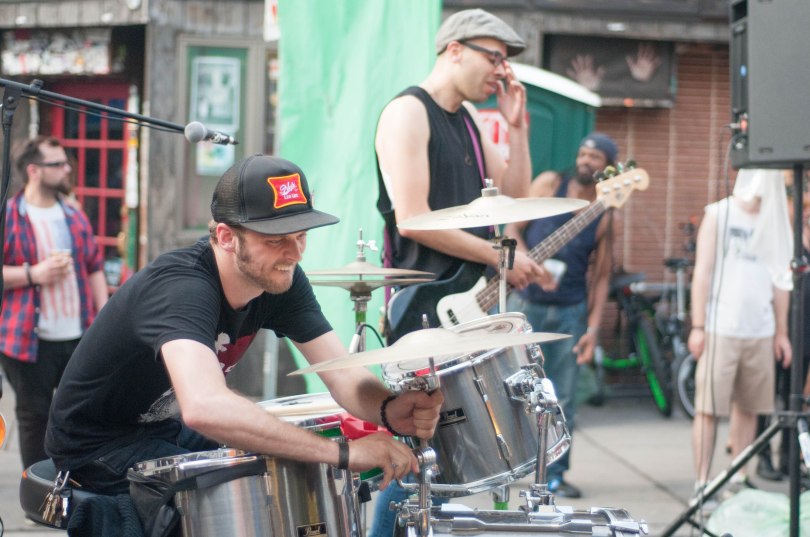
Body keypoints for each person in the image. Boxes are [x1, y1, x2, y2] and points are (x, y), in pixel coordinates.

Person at [44, 155, 444, 499]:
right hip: (95, 446)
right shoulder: (182, 288)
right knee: (241, 497)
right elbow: (205, 406)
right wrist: (343, 453)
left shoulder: (282, 278)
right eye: (276, 239)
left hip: (160, 429)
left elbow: (342, 374)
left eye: (301, 235)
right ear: (226, 236)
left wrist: (389, 409)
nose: (294, 253)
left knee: (280, 470)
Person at [373, 9, 546, 534]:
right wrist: (498, 257)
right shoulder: (408, 112)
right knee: (418, 454)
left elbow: (514, 196)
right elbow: (413, 218)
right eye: (494, 57)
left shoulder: (467, 120)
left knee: (459, 456)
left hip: (462, 306)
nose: (501, 71)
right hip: (422, 309)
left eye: (505, 61)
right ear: (454, 50)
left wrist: (516, 127)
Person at [503, 132, 619, 499]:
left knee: (562, 397)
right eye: (583, 153)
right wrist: (527, 263)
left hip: (571, 310)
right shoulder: (550, 184)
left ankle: (554, 473)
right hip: (526, 305)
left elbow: (602, 275)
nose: (585, 160)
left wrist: (593, 328)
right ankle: (508, 466)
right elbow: (511, 227)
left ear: (608, 167)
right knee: (513, 391)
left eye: (595, 157)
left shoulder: (604, 212)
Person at [0, 136, 108, 469]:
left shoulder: (73, 214)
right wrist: (34, 274)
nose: (67, 169)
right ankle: (38, 489)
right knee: (34, 418)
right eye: (57, 164)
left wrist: (104, 320)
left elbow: (94, 266)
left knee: (82, 414)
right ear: (34, 170)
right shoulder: (9, 215)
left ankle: (74, 483)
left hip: (78, 334)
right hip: (26, 338)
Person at [689, 168, 792, 498]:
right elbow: (702, 273)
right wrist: (698, 326)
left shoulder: (776, 219)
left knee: (749, 408)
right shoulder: (719, 214)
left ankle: (738, 477)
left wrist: (781, 332)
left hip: (760, 328)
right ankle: (703, 482)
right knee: (708, 408)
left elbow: (781, 280)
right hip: (721, 326)